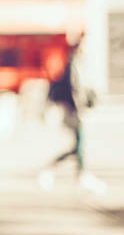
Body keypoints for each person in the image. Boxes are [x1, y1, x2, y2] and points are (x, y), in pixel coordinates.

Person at [39, 37, 105, 194]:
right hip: (74, 111)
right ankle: (62, 171)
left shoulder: (76, 64)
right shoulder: (74, 66)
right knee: (79, 144)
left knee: (79, 144)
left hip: (75, 110)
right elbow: (75, 91)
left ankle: (78, 173)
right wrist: (81, 108)